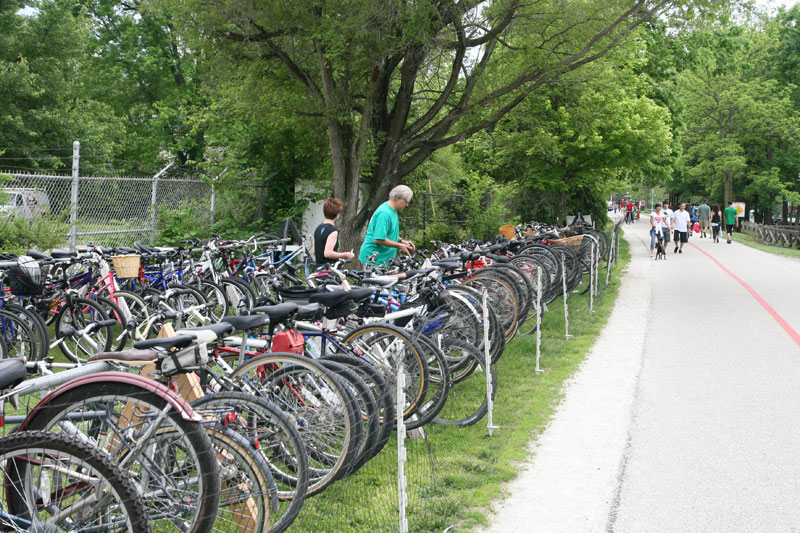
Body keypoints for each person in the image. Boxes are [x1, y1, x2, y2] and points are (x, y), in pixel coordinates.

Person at [358, 185, 416, 266]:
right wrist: (399, 245)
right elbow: (378, 239)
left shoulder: (392, 210)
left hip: (384, 259)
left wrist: (402, 241)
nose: (407, 205)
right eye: (406, 202)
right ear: (399, 198)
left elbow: (387, 232)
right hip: (373, 259)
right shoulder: (384, 213)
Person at [312, 198, 355, 266]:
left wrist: (338, 259)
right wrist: (345, 255)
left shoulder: (318, 228)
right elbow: (327, 253)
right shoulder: (333, 231)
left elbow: (314, 251)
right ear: (337, 214)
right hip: (329, 270)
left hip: (318, 269)